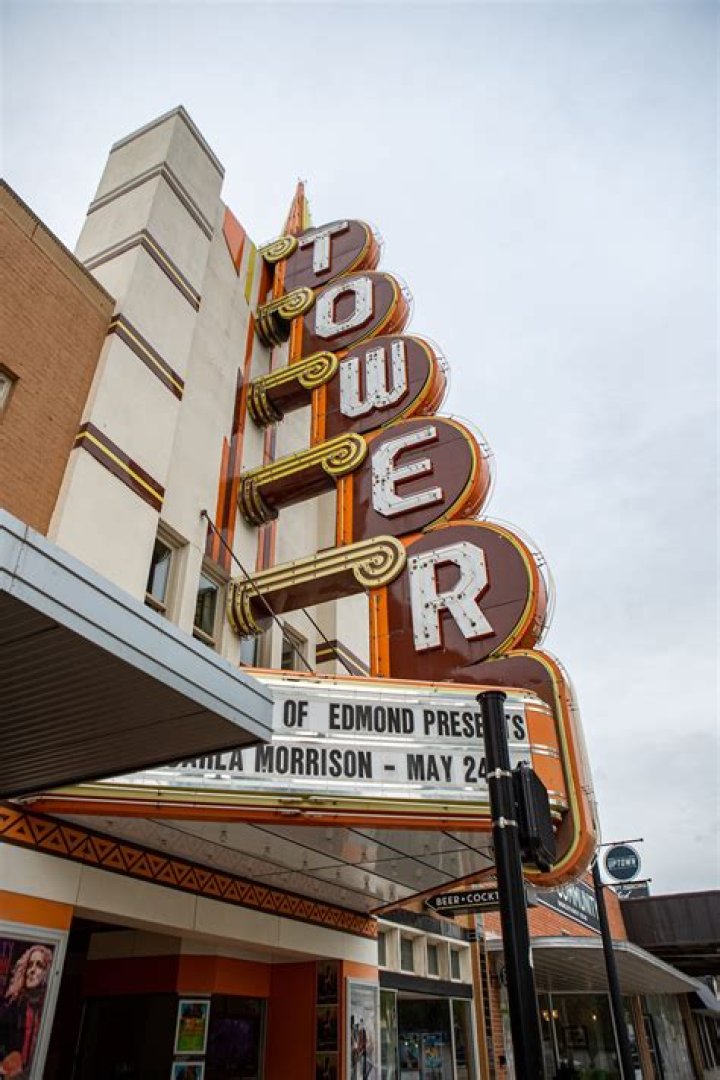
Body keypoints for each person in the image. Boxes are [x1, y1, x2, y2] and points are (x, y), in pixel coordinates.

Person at [0, 944, 53, 1078]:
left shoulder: (47, 1008)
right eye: (29, 965)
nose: (32, 970)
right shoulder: (12, 1005)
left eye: (39, 965)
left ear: (48, 972)